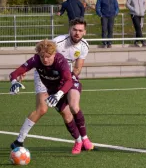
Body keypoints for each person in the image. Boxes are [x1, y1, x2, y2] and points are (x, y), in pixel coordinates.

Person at [10, 18, 93, 153]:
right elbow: (42, 54)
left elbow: (77, 68)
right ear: (69, 30)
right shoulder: (58, 42)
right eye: (74, 30)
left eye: (80, 31)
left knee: (73, 106)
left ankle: (84, 139)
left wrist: (66, 82)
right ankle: (19, 140)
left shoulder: (84, 46)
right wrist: (19, 76)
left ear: (84, 32)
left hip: (64, 76)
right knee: (43, 109)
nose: (77, 33)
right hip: (44, 76)